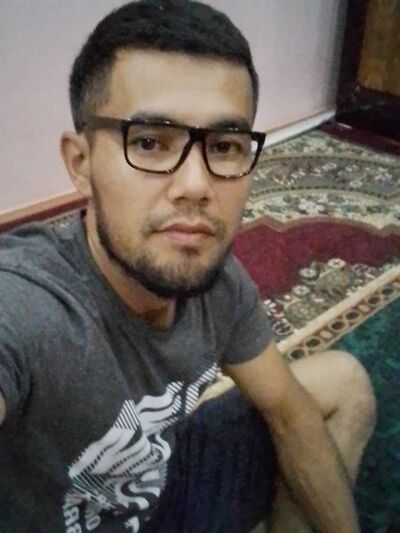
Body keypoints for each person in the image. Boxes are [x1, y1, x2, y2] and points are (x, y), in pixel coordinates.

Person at [0, 1, 377, 532]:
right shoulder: (28, 307)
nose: (197, 186)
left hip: (161, 487)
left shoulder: (218, 282)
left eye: (223, 146)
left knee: (343, 385)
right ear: (81, 164)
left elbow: (290, 413)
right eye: (149, 142)